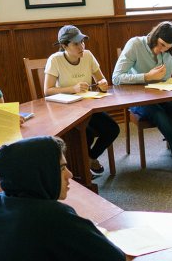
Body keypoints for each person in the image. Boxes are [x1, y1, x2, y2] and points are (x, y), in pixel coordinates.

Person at [112, 21, 172, 171]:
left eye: (166, 48)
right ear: (155, 36)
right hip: (139, 98)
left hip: (164, 95)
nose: (161, 50)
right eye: (161, 45)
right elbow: (116, 78)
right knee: (159, 114)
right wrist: (146, 77)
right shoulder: (135, 44)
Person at [44, 25, 120, 177]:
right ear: (64, 46)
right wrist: (73, 88)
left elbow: (101, 80)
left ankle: (89, 159)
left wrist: (103, 84)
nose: (81, 47)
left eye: (82, 42)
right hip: (66, 110)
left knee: (113, 129)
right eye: (76, 44)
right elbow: (47, 91)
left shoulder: (88, 55)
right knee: (86, 134)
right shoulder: (55, 60)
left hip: (89, 107)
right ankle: (82, 171)